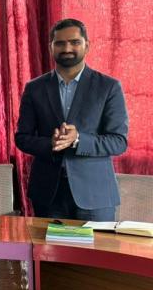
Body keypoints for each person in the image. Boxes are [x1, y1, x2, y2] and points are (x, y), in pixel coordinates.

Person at [15, 18, 128, 222]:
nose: (67, 48)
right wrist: (50, 143)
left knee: (96, 245)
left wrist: (78, 140)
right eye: (59, 43)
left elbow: (118, 141)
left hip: (95, 195)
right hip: (48, 194)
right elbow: (22, 138)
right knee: (49, 245)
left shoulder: (108, 87)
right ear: (51, 47)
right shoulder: (34, 88)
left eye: (75, 42)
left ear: (87, 45)